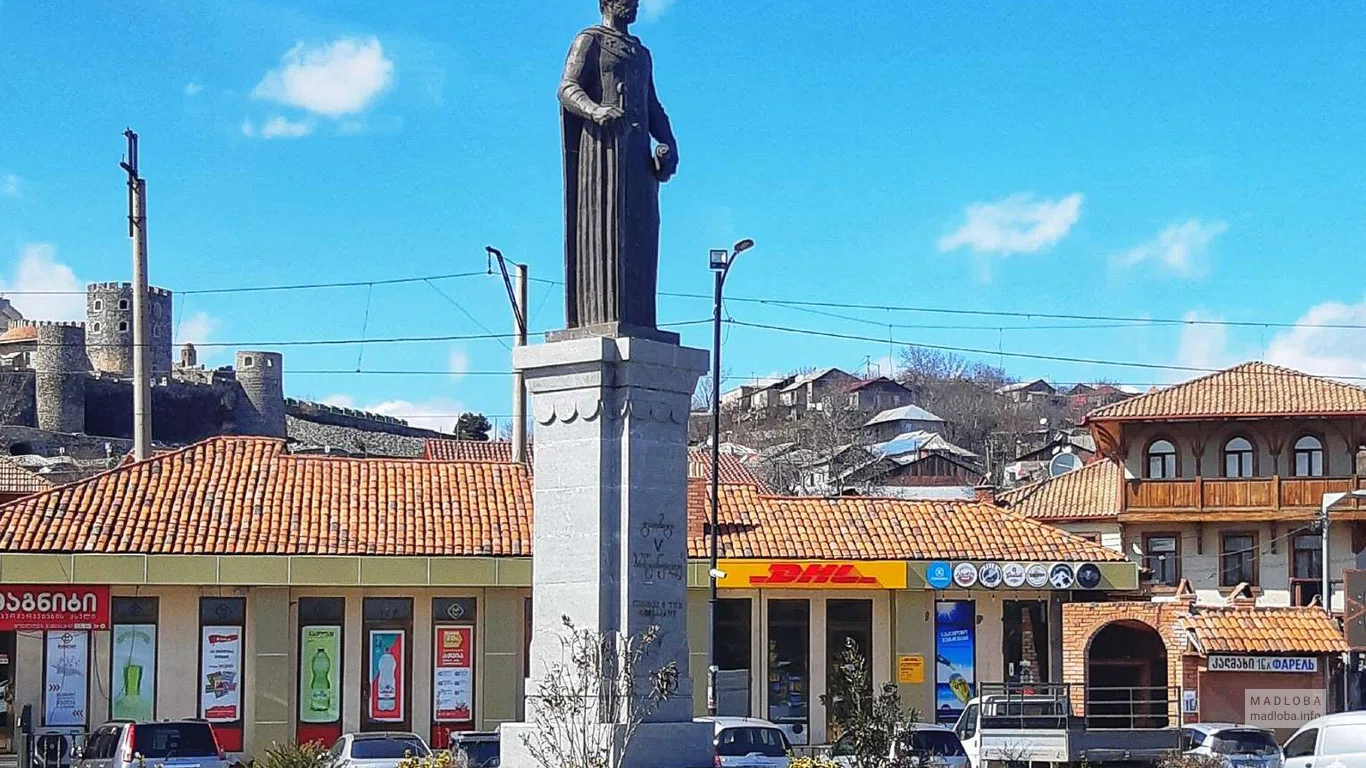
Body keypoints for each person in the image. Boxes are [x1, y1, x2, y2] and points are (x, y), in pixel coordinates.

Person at [559, 0, 680, 332]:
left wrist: (668, 143)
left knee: (642, 228)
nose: (634, 5)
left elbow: (652, 105)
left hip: (637, 158)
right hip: (602, 154)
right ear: (606, 2)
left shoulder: (641, 54)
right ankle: (599, 314)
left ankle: (638, 319)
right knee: (606, 227)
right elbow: (568, 88)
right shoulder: (590, 40)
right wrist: (596, 111)